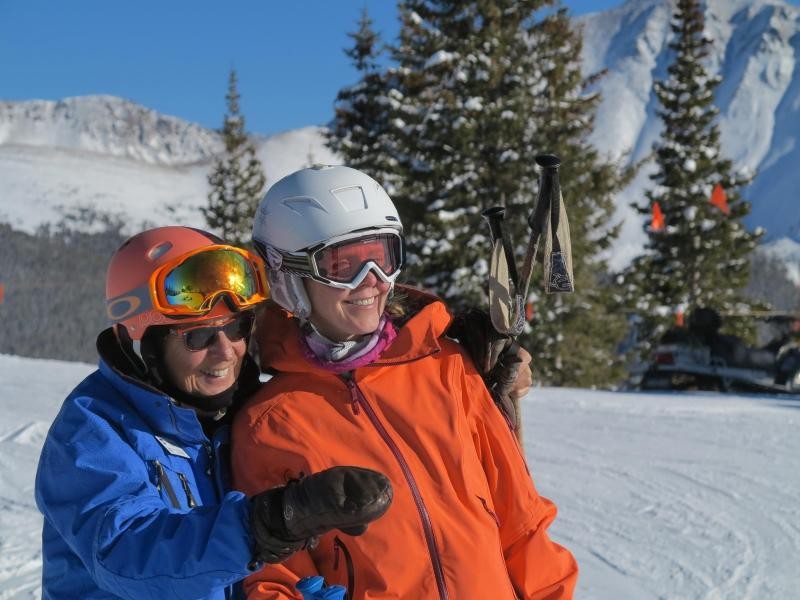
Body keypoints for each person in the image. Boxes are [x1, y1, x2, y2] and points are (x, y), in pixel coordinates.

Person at [232, 165, 578, 598]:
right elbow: (274, 581)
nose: (372, 281)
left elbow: (521, 518)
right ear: (289, 277)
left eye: (383, 255)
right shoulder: (269, 423)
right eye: (345, 265)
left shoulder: (447, 367)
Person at [35, 226, 393, 600]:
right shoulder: (93, 429)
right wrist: (266, 525)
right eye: (198, 336)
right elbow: (126, 552)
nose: (226, 352)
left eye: (236, 328)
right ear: (143, 344)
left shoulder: (244, 419)